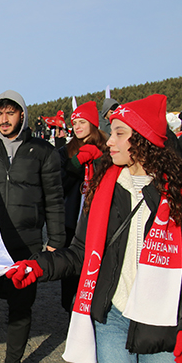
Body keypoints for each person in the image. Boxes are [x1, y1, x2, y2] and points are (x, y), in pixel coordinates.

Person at [6, 94, 182, 363]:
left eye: (120, 134)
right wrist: (38, 266)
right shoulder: (106, 187)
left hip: (163, 320)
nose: (110, 141)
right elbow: (79, 252)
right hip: (112, 316)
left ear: (144, 139)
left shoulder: (179, 192)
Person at [0, 90, 65, 363]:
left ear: (22, 114)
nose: (4, 119)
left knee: (21, 304)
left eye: (10, 112)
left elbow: (54, 199)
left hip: (27, 242)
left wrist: (56, 239)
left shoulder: (44, 152)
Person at [57, 101, 108, 313]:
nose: (77, 127)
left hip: (100, 218)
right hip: (72, 220)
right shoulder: (65, 151)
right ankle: (70, 309)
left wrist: (98, 162)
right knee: (71, 269)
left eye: (82, 122)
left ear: (93, 124)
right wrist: (76, 164)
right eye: (74, 123)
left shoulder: (108, 148)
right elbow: (59, 184)